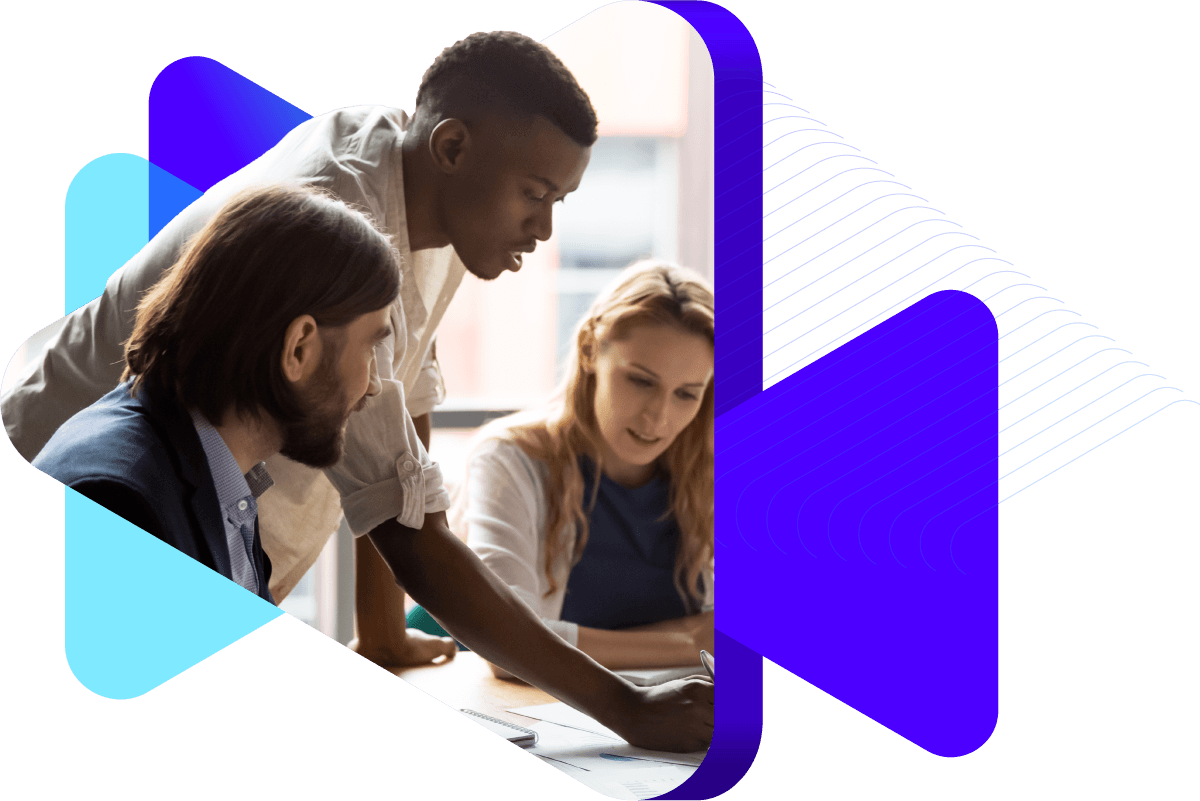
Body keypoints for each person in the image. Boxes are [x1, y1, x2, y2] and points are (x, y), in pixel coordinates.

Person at [4, 34, 713, 752]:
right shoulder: (342, 221)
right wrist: (631, 710)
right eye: (535, 194)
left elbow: (402, 414)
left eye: (559, 199)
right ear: (454, 146)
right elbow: (411, 528)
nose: (545, 227)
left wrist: (383, 630)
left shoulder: (434, 184)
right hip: (107, 508)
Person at [32, 185, 401, 602]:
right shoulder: (120, 504)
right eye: (370, 347)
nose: (372, 385)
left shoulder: (218, 474)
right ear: (298, 348)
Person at [409, 261, 715, 672]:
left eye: (686, 394)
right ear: (590, 350)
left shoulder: (710, 473)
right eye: (641, 382)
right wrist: (692, 640)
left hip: (638, 714)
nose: (659, 419)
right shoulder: (509, 460)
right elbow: (506, 645)